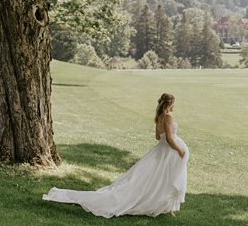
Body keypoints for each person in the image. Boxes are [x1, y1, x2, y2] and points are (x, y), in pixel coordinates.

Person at [43, 93, 189, 218]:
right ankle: (164, 206)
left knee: (157, 178)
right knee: (165, 178)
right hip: (168, 152)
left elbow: (158, 137)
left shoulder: (159, 117)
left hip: (160, 151)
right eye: (173, 103)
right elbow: (169, 138)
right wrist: (179, 150)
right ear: (170, 104)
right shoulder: (168, 117)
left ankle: (166, 207)